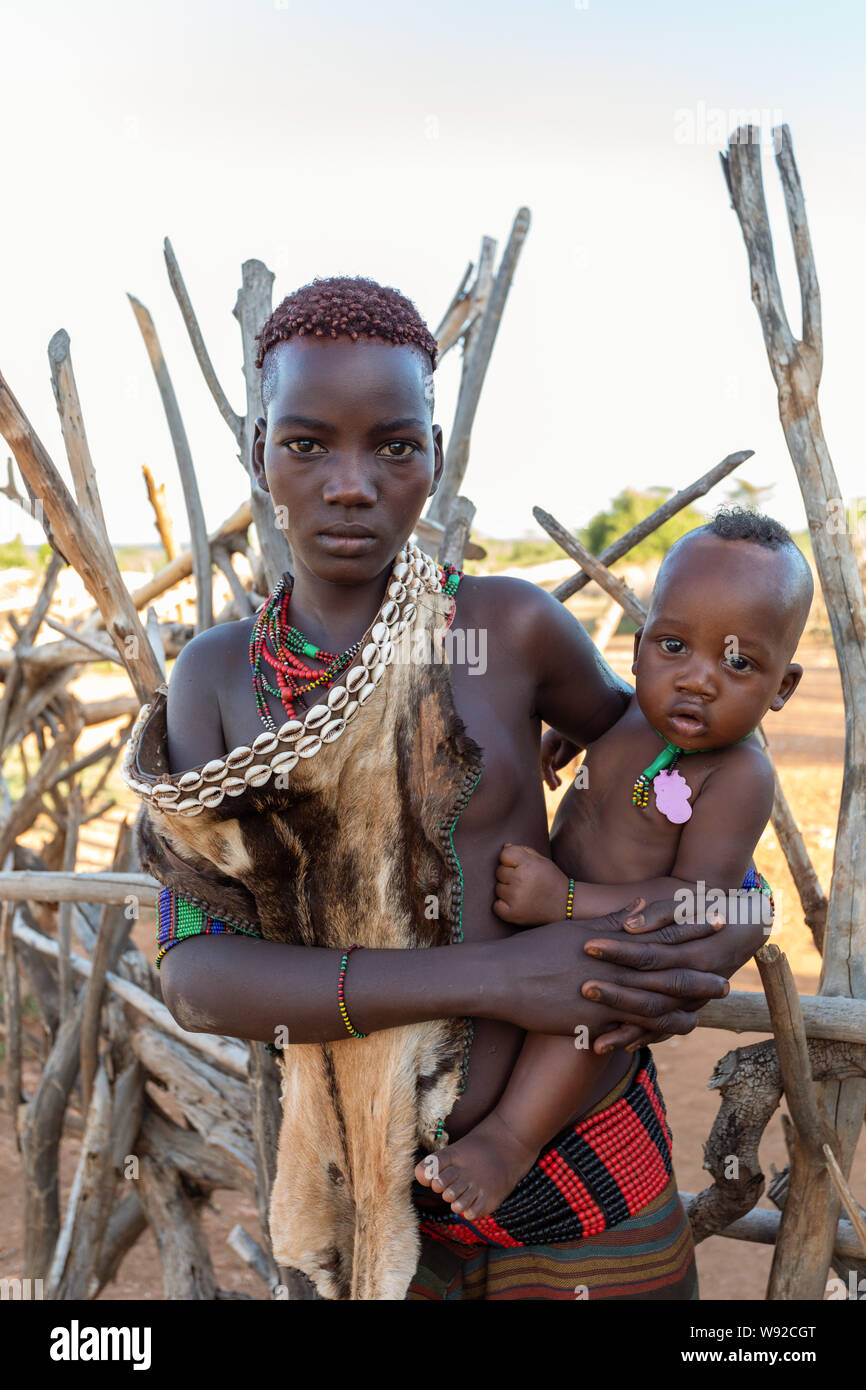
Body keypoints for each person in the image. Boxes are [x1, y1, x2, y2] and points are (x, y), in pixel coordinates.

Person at [130, 275, 769, 1301]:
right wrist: (492, 980)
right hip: (374, 1189)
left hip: (591, 1159)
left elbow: (665, 770)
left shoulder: (511, 632)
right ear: (258, 454)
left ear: (432, 456)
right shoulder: (213, 682)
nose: (351, 483)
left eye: (393, 445)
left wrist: (731, 905)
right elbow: (196, 974)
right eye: (306, 445)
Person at [414, 510, 811, 1225]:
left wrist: (566, 902)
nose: (698, 682)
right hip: (552, 910)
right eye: (673, 646)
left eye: (740, 663)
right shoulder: (640, 713)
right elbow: (621, 714)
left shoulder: (739, 776)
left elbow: (695, 902)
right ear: (638, 650)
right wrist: (573, 732)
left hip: (622, 934)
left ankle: (510, 1141)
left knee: (594, 1003)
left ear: (782, 685)